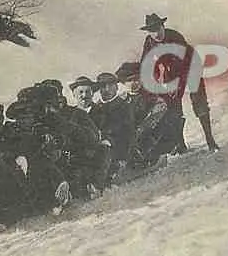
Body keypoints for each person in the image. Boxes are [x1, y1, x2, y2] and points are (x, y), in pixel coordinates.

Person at [139, 13, 220, 153]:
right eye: (151, 31)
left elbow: (183, 66)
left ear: (163, 26)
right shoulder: (149, 42)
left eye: (158, 29)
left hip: (190, 66)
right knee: (172, 106)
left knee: (199, 101)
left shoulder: (175, 37)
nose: (156, 34)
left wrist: (176, 86)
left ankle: (210, 140)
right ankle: (180, 145)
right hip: (171, 72)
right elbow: (146, 65)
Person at [92, 72, 134, 183]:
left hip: (118, 147)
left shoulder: (124, 106)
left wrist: (123, 157)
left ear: (116, 87)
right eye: (102, 86)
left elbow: (128, 132)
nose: (106, 89)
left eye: (110, 85)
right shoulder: (96, 107)